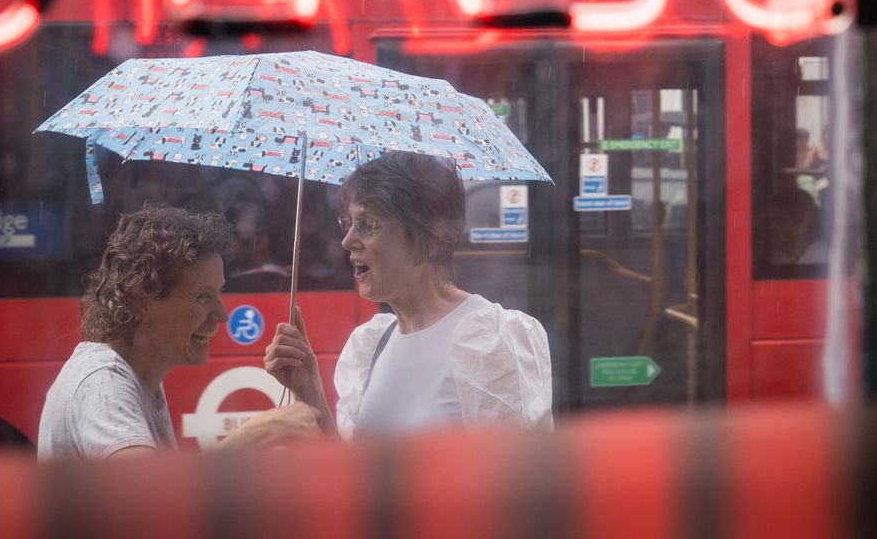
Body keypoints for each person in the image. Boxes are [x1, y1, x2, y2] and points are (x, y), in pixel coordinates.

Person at [264, 151, 552, 438]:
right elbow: (349, 473)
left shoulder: (490, 340)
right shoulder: (370, 344)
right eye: (347, 222)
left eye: (368, 225)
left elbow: (518, 476)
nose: (347, 240)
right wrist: (309, 389)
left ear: (429, 234)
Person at [37, 205, 234, 459]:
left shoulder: (137, 377)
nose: (222, 315)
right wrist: (261, 432)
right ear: (142, 300)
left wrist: (301, 389)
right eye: (203, 297)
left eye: (220, 292)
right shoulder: (102, 381)